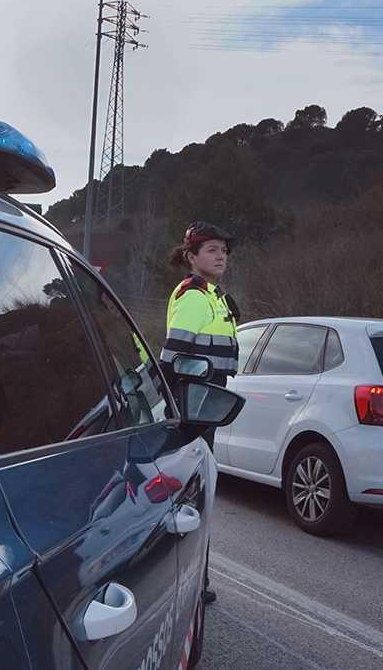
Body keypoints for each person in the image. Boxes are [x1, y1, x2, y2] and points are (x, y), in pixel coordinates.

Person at [161, 221, 241, 606]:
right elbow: (174, 357)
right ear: (191, 257)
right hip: (193, 405)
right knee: (194, 495)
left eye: (223, 249)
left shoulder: (214, 295)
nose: (221, 255)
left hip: (206, 402)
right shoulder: (195, 295)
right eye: (211, 249)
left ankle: (196, 578)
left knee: (195, 493)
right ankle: (193, 581)